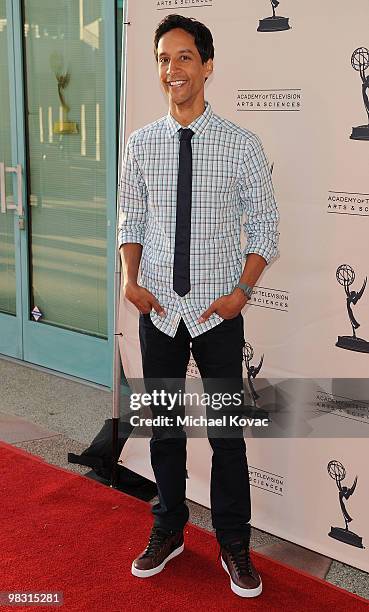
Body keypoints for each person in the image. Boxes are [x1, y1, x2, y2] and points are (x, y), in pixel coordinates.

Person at [118, 13, 279, 599]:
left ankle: (234, 543)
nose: (172, 69)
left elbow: (265, 228)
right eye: (163, 59)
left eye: (184, 57)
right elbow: (130, 218)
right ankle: (169, 528)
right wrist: (131, 281)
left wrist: (242, 292)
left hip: (217, 312)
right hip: (158, 306)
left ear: (207, 65)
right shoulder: (142, 144)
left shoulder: (241, 145)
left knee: (226, 434)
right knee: (162, 427)